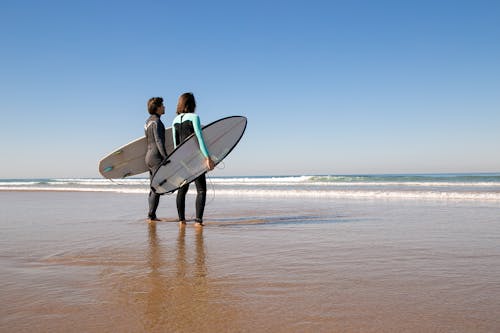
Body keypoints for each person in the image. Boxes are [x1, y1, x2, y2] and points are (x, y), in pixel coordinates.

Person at [172, 92, 215, 227]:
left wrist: (178, 161)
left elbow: (175, 145)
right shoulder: (194, 117)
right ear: (192, 104)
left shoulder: (174, 121)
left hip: (182, 160)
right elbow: (199, 138)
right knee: (201, 190)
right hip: (195, 159)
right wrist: (208, 157)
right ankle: (198, 221)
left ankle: (181, 220)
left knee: (182, 190)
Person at [145, 97, 167, 222]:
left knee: (152, 188)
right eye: (162, 105)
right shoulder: (157, 121)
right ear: (157, 107)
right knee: (157, 188)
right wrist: (165, 156)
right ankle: (151, 215)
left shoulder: (147, 122)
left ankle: (151, 215)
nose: (164, 107)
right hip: (156, 157)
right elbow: (159, 140)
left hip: (148, 157)